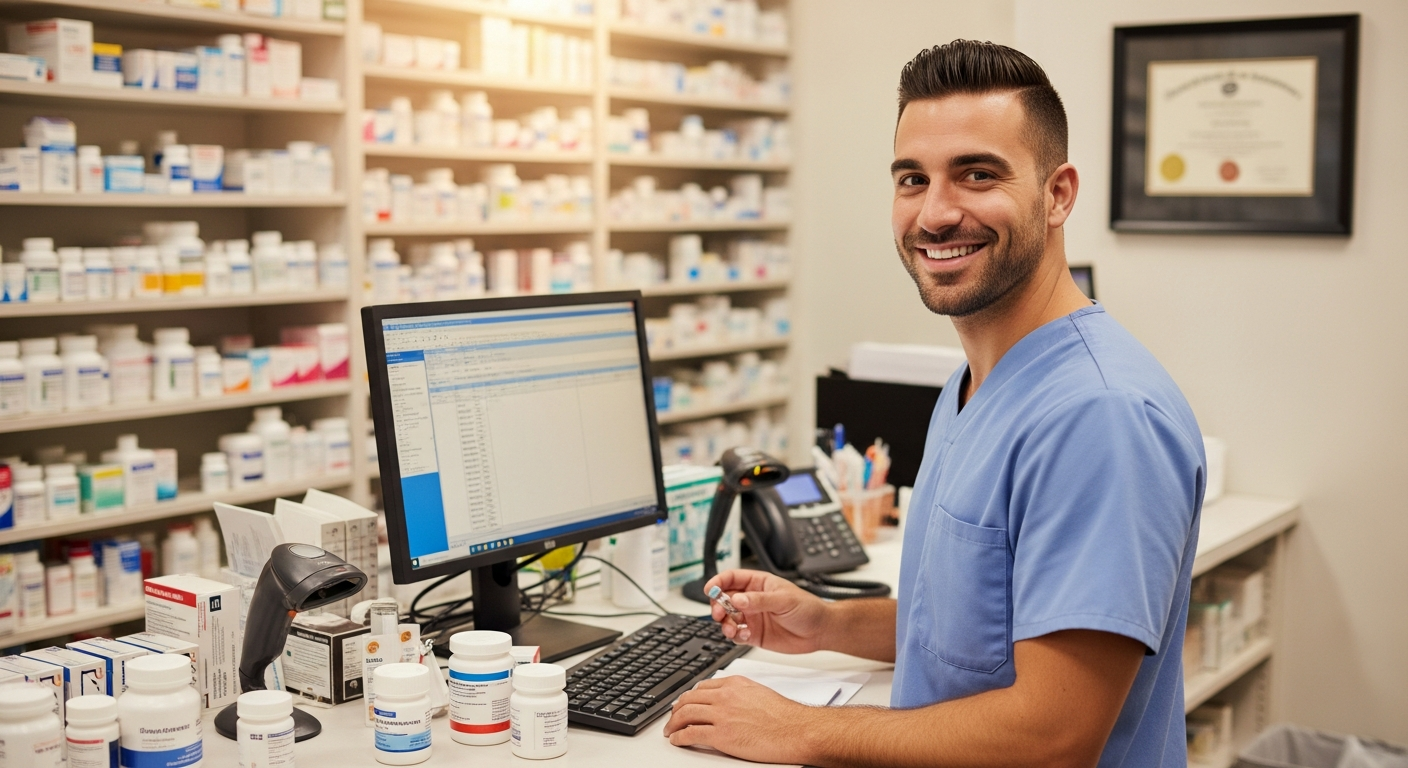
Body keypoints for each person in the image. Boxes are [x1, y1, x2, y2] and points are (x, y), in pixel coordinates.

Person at [662, 40, 1207, 768]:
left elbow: (1054, 735)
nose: (936, 213)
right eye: (913, 179)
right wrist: (828, 622)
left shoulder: (1098, 416)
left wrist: (799, 730)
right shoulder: (973, 382)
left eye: (977, 174)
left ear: (1058, 193)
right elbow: (984, 632)